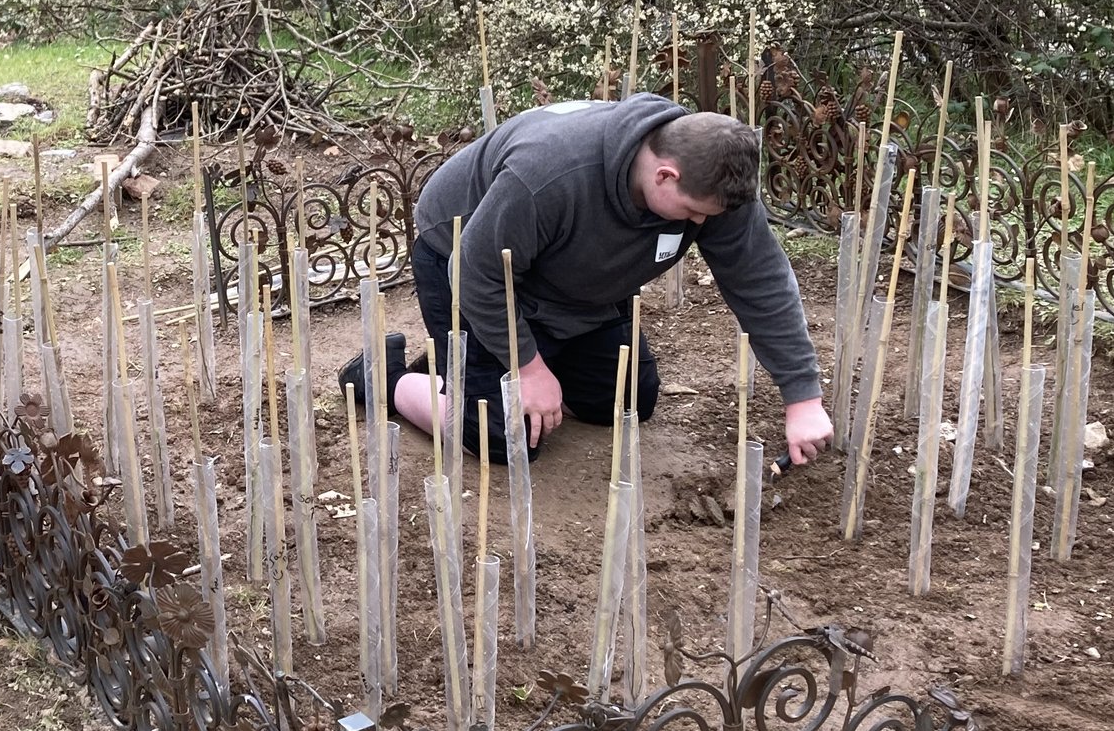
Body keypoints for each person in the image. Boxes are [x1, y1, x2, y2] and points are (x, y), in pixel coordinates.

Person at [344, 94, 836, 468]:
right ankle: (383, 378)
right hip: (467, 260)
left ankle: (469, 365)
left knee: (625, 402)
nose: (702, 226)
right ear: (665, 176)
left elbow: (761, 281)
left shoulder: (714, 180)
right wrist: (528, 370)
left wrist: (803, 398)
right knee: (503, 435)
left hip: (578, 285)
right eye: (692, 214)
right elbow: (476, 272)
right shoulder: (548, 174)